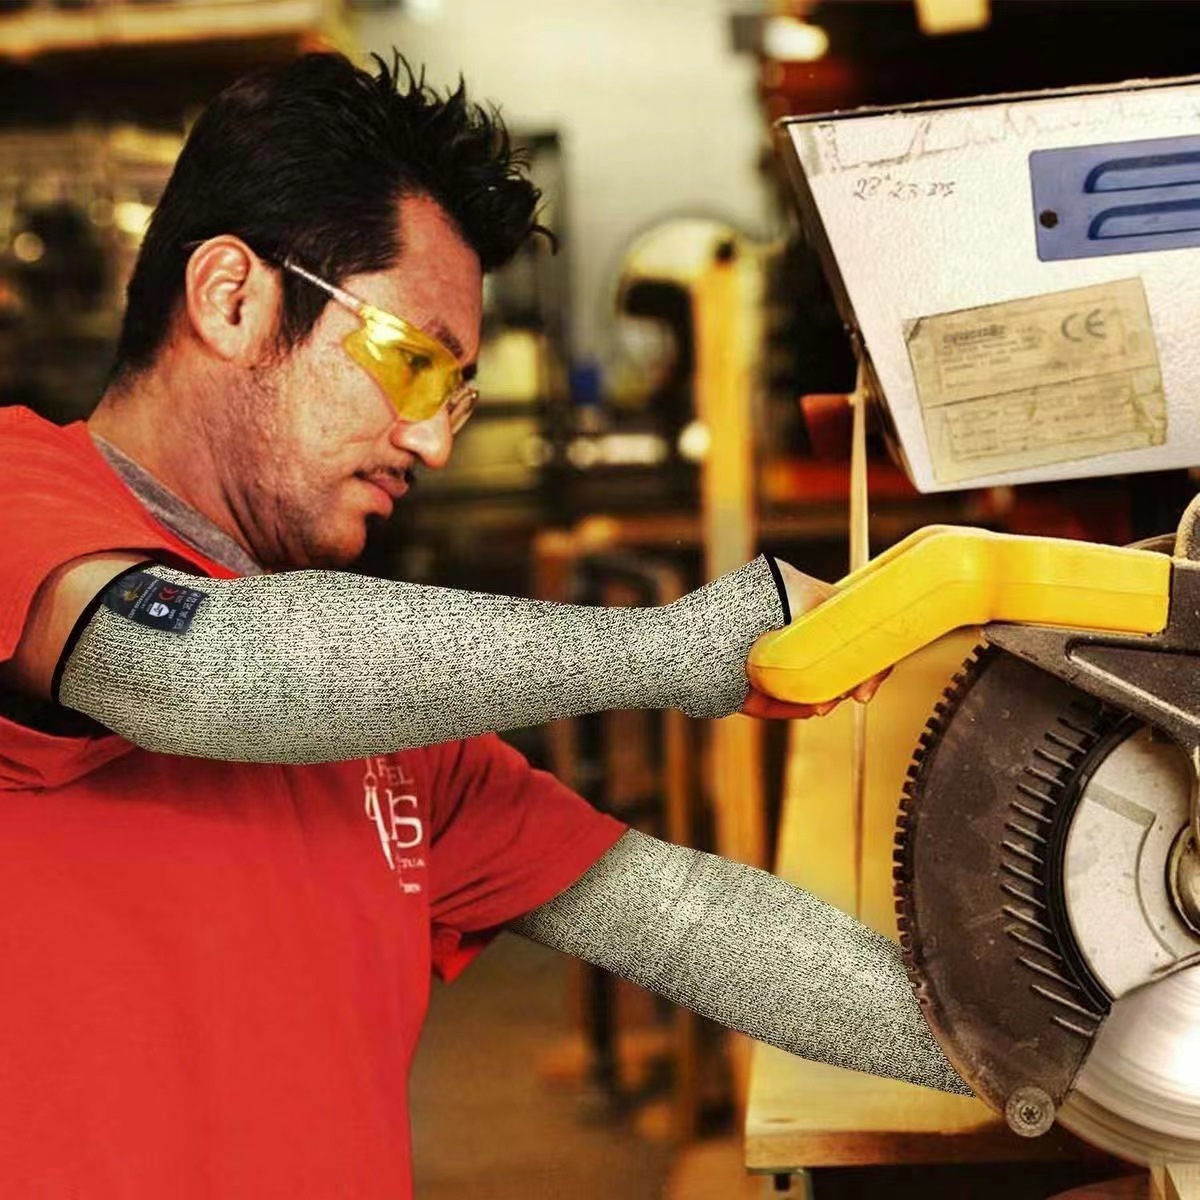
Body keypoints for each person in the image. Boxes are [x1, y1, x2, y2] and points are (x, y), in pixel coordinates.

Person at [0, 51, 967, 1200]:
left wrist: (1061, 1043)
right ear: (230, 298)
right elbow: (197, 668)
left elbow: (686, 923)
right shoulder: (21, 492)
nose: (433, 443)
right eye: (411, 364)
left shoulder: (393, 725)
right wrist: (680, 647)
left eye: (454, 395)